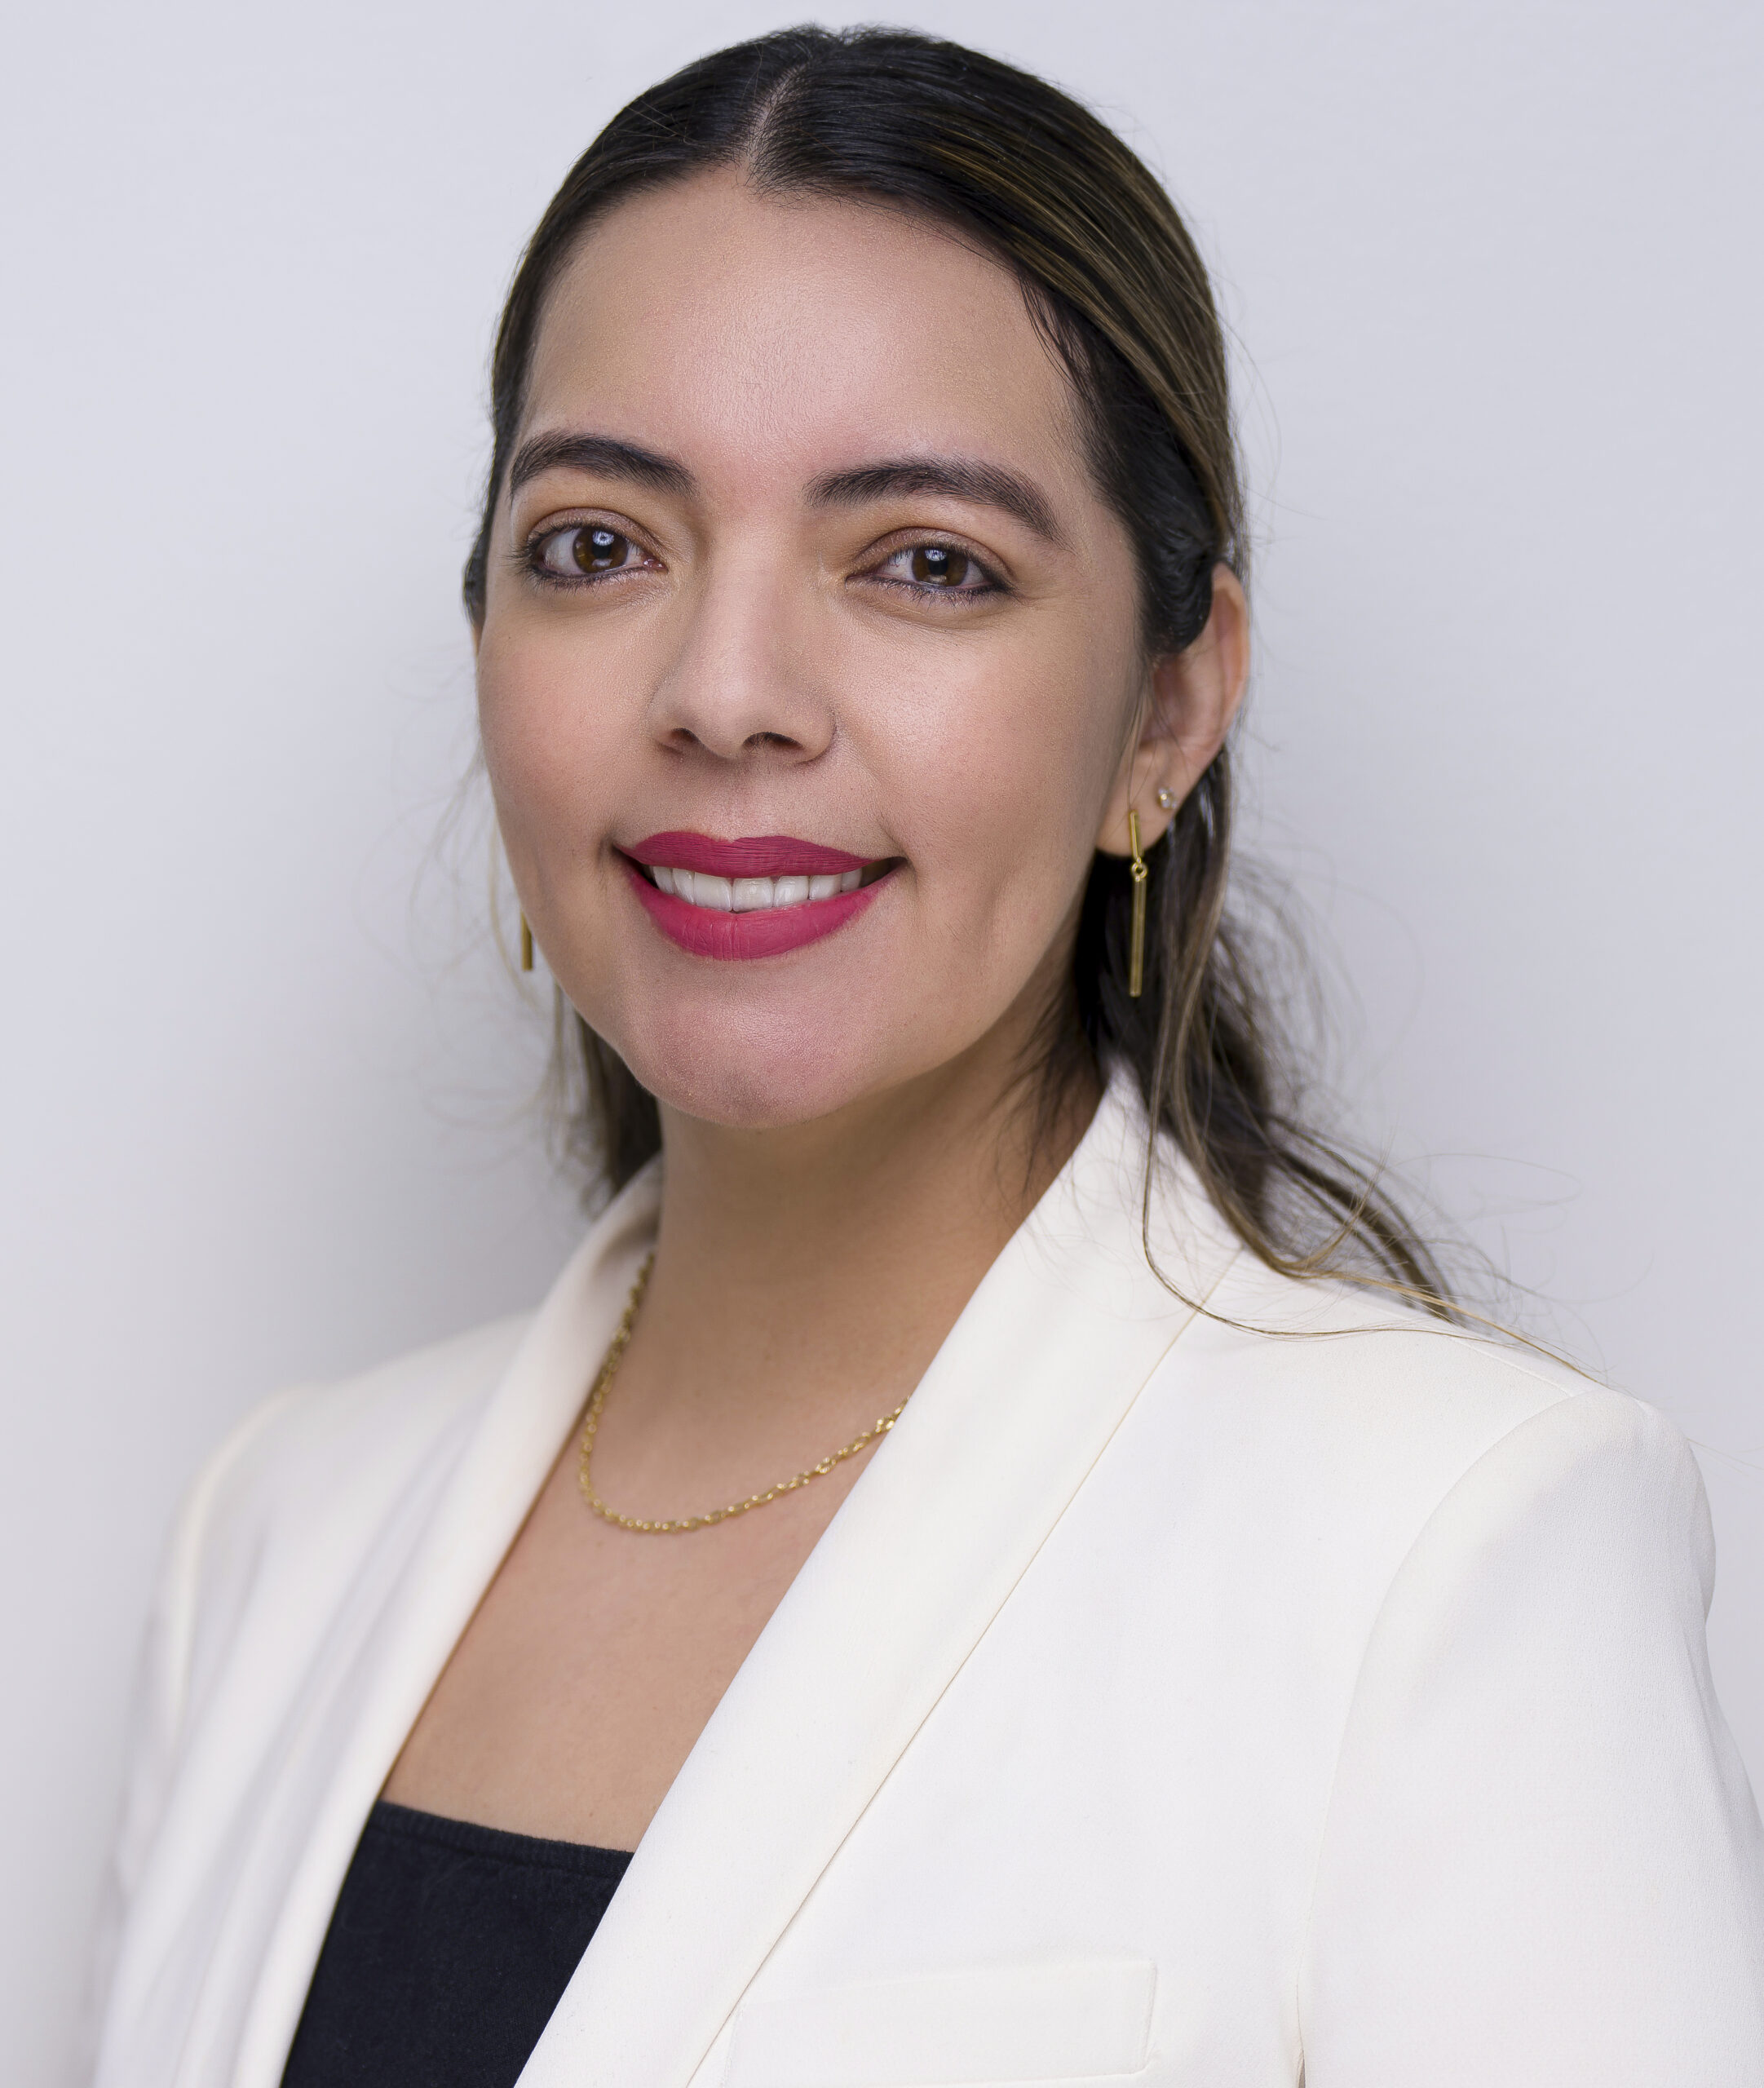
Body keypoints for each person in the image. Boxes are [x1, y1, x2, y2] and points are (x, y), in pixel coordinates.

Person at [85, 25, 1763, 2088]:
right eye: (599, 541)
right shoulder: (280, 1530)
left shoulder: (1450, 1548)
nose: (725, 692)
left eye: (924, 564)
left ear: (1165, 710)